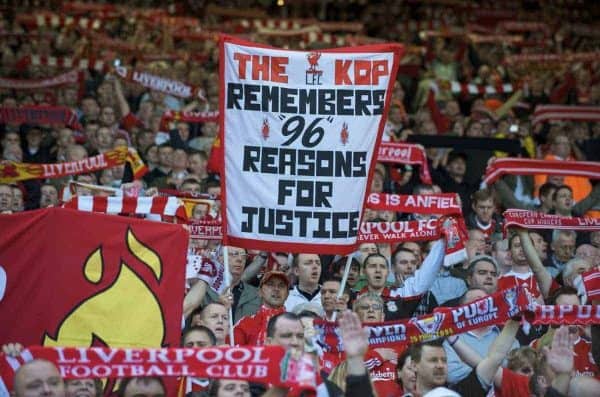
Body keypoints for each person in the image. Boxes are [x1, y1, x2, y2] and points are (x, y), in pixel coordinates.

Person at [234, 271, 290, 346]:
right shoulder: (244, 324)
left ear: (287, 294)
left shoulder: (297, 324)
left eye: (281, 285)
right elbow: (235, 355)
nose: (276, 289)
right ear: (260, 292)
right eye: (270, 284)